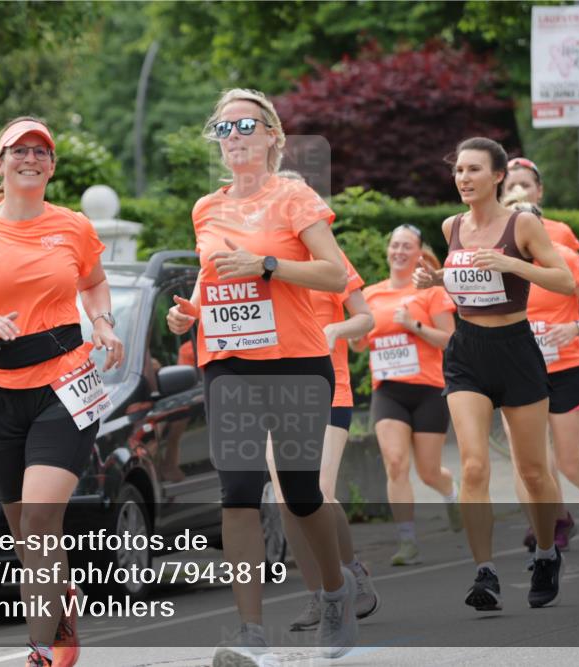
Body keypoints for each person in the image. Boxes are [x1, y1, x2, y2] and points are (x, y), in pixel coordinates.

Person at [166, 88, 358, 664]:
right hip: (228, 363)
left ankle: (335, 592)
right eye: (224, 129)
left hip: (297, 361)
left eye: (246, 126)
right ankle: (250, 632)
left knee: (301, 494)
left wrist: (267, 266)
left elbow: (333, 276)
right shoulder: (207, 207)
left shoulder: (294, 197)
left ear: (273, 135)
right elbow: (210, 277)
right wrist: (189, 313)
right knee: (240, 491)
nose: (234, 138)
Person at [0, 117, 124, 667]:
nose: (30, 158)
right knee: (25, 531)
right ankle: (60, 604)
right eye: (19, 150)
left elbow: (94, 281)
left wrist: (103, 323)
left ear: (52, 166)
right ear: (0, 163)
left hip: (65, 385)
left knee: (39, 518)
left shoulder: (74, 227)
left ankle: (41, 649)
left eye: (41, 151)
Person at [414, 136, 574, 611]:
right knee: (474, 465)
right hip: (467, 352)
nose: (463, 178)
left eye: (474, 170)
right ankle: (484, 573)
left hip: (516, 350)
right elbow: (469, 280)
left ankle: (546, 553)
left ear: (498, 176)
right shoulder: (451, 227)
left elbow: (563, 279)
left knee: (532, 470)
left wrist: (511, 263)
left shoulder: (522, 224)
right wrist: (437, 280)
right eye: (459, 170)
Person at [499, 189, 579, 556]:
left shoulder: (563, 259)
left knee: (567, 462)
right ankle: (548, 525)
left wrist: (574, 329)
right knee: (528, 464)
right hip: (516, 374)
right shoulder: (496, 266)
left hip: (564, 369)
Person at [272, 245, 380, 632]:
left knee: (319, 489)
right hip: (278, 392)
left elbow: (366, 318)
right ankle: (320, 593)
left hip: (328, 388)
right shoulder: (259, 259)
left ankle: (351, 570)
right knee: (286, 499)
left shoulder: (329, 260)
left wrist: (336, 328)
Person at [350, 225, 462, 567]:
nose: (399, 251)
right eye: (394, 244)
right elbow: (358, 344)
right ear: (388, 250)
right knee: (396, 464)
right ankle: (407, 541)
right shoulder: (370, 294)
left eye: (406, 246)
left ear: (417, 253)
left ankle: (450, 493)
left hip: (428, 389)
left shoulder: (430, 292)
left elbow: (450, 340)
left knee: (428, 472)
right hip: (389, 392)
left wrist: (413, 325)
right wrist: (356, 332)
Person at [504, 157, 579, 251]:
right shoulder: (490, 233)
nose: (518, 191)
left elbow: (573, 264)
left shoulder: (561, 232)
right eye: (511, 187)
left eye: (525, 185)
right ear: (501, 193)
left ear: (539, 191)